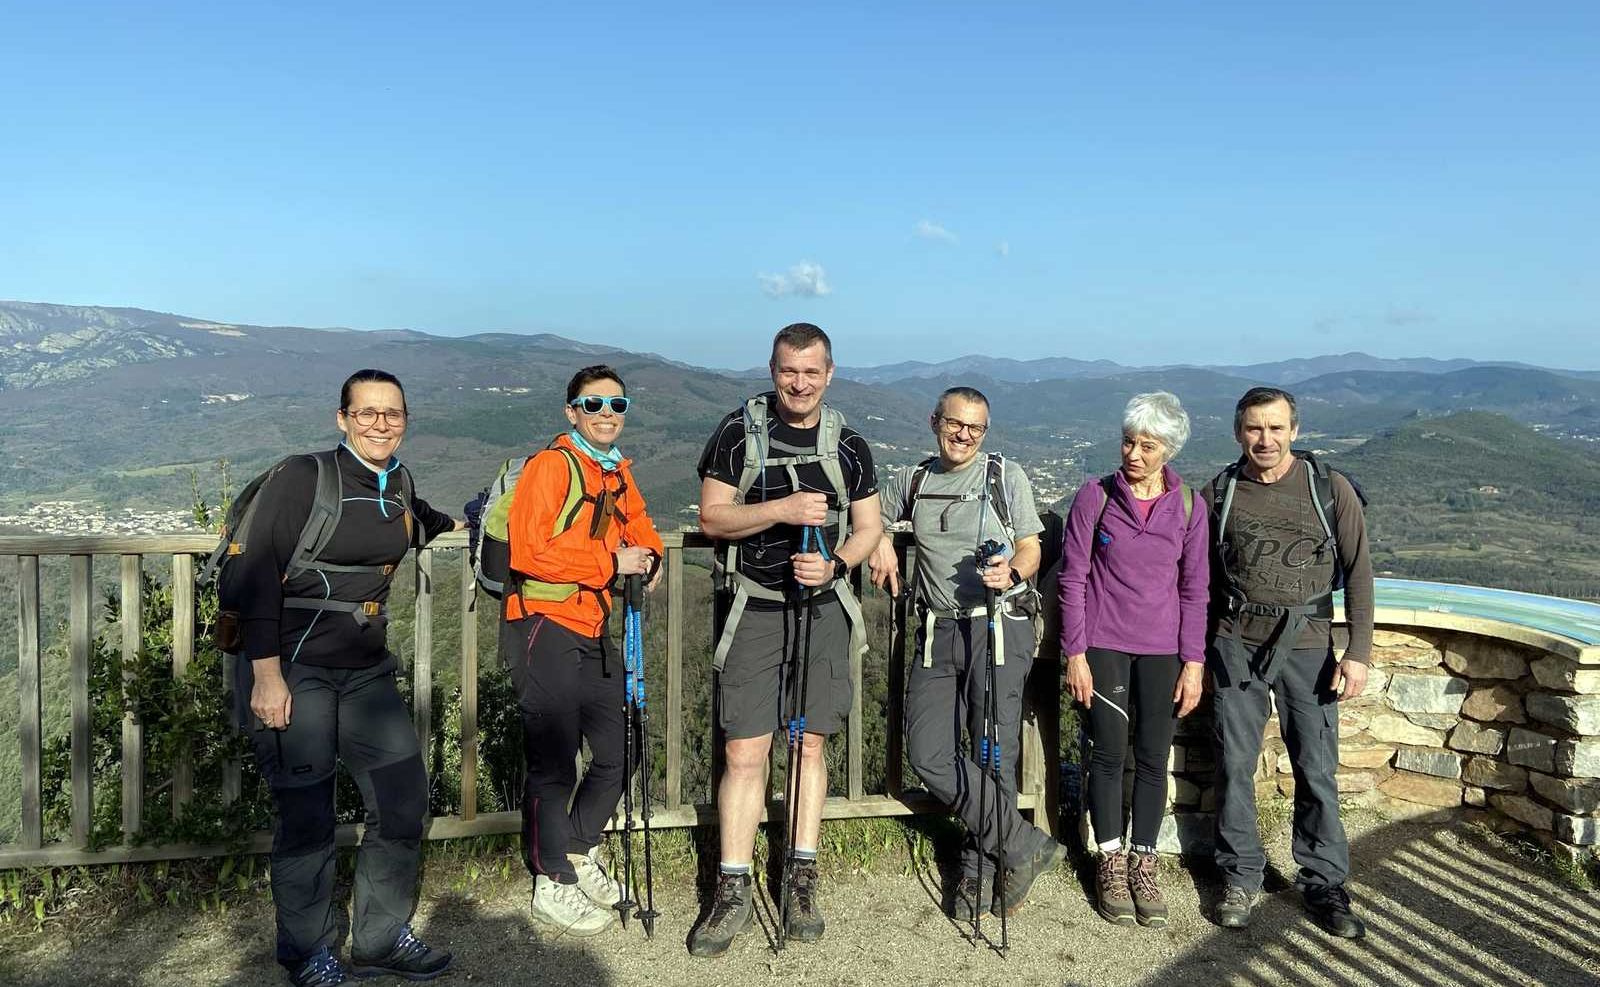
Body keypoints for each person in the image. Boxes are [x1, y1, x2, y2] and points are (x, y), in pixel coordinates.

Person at [237, 369, 456, 987]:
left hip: (365, 674)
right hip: (293, 669)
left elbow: (423, 519)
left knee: (402, 802)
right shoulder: (304, 478)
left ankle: (380, 939)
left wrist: (480, 522)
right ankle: (308, 954)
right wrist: (265, 676)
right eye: (366, 413)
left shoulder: (398, 484)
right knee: (306, 816)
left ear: (406, 420)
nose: (380, 424)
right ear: (342, 419)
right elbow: (256, 574)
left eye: (392, 414)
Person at [689, 323, 882, 957]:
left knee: (809, 745)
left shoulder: (849, 444)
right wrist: (782, 510)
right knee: (745, 751)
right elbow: (712, 518)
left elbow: (869, 526)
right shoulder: (737, 432)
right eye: (786, 372)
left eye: (810, 372)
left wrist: (838, 566)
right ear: (772, 372)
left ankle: (800, 875)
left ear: (830, 374)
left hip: (823, 608)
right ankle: (734, 886)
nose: (798, 384)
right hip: (756, 607)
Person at [869, 386, 1067, 924]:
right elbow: (869, 519)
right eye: (955, 424)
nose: (964, 435)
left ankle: (984, 869)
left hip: (998, 626)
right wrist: (881, 539)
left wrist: (1013, 571)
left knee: (992, 751)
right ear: (935, 422)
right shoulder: (913, 481)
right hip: (938, 629)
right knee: (929, 751)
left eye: (975, 428)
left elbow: (1032, 543)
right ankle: (1023, 845)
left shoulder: (1005, 478)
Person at [500, 365, 666, 938]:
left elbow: (641, 525)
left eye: (617, 405)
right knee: (552, 759)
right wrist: (610, 564)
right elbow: (528, 551)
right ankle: (551, 878)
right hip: (544, 624)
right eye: (593, 405)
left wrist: (652, 556)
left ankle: (577, 847)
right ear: (572, 412)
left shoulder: (615, 472)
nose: (606, 414)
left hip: (593, 629)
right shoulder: (551, 466)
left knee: (620, 749)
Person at [1202, 386, 1372, 938]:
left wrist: (1359, 653)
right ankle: (1240, 875)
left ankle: (1323, 881)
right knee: (1233, 765)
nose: (1265, 439)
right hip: (1235, 644)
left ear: (1294, 431)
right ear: (1238, 432)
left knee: (1316, 768)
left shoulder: (1330, 489)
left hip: (1309, 648)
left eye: (1276, 428)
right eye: (1254, 428)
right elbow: (1195, 579)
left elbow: (1359, 572)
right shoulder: (1219, 492)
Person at [1058, 392, 1209, 928]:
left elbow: (1195, 588)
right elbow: (1072, 579)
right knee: (1107, 754)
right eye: (1129, 441)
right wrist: (1074, 653)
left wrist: (1194, 662)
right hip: (1103, 645)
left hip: (1163, 649)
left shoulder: (1190, 506)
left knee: (1152, 756)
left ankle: (1145, 861)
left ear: (1168, 450)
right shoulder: (1093, 498)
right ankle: (1110, 859)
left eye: (1147, 445)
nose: (1134, 454)